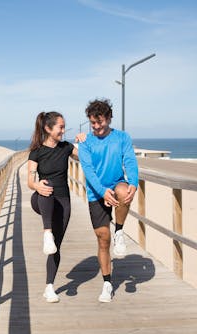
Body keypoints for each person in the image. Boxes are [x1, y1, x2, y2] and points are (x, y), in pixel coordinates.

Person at [77, 98, 138, 303]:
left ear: (109, 118)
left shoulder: (122, 137)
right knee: (103, 238)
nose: (96, 127)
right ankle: (107, 283)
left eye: (100, 122)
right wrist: (103, 192)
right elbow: (88, 171)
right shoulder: (86, 142)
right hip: (96, 193)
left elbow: (129, 160)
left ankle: (119, 230)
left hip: (116, 184)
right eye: (93, 123)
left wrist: (134, 182)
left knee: (124, 192)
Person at [27, 111, 78, 303]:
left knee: (55, 247)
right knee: (46, 185)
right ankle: (46, 232)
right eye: (61, 127)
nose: (64, 131)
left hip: (63, 201)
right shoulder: (37, 152)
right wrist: (37, 185)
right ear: (48, 128)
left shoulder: (66, 148)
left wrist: (86, 141)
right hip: (41, 199)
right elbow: (30, 181)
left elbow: (85, 159)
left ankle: (49, 287)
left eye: (64, 127)